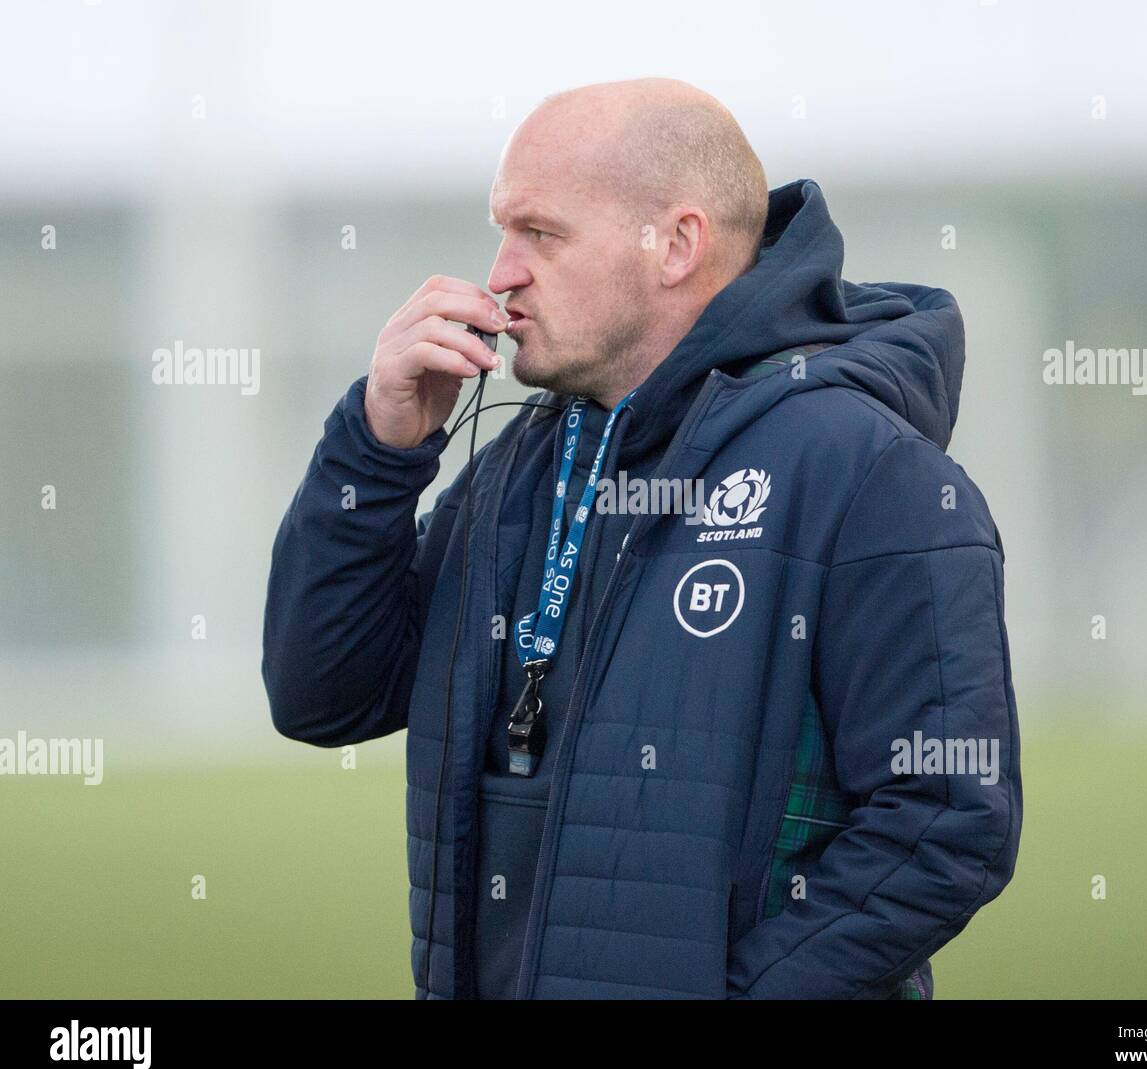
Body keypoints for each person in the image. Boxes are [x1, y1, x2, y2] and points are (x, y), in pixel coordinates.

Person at [262, 77, 1022, 1000]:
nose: (499, 273)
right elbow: (324, 695)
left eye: (540, 233)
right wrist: (380, 448)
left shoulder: (865, 469)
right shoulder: (521, 464)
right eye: (502, 231)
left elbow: (945, 819)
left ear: (677, 245)